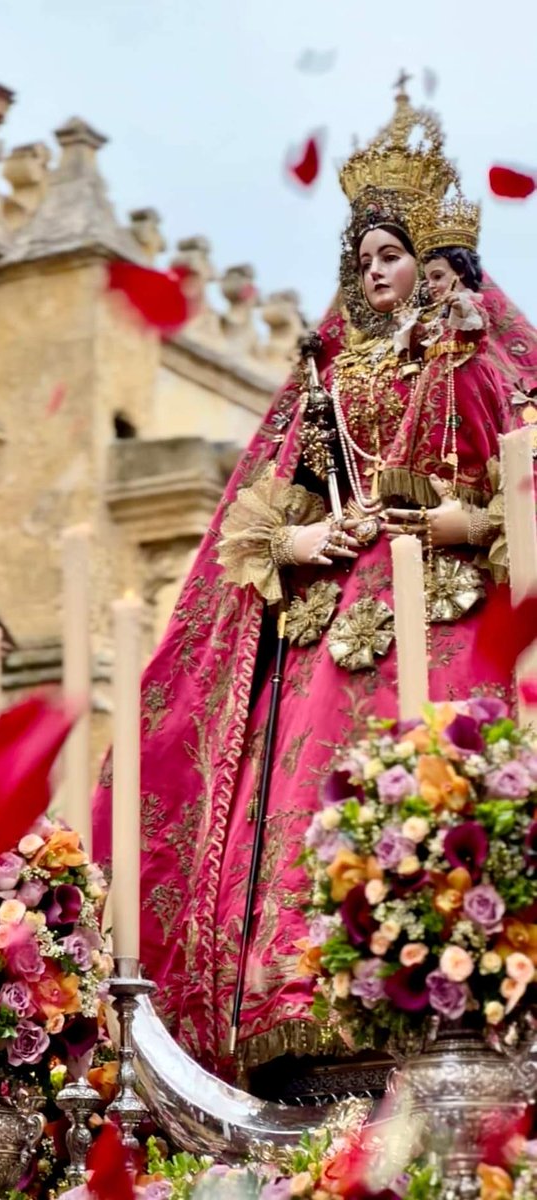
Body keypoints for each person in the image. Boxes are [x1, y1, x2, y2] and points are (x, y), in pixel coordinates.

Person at [93, 83, 532, 1080]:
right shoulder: (326, 383)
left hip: (448, 608)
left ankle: (461, 984)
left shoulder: (473, 360)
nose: (374, 272)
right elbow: (259, 518)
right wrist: (303, 540)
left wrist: (458, 522)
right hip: (335, 629)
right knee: (311, 791)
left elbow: (520, 485)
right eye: (363, 257)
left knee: (453, 777)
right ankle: (301, 993)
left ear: (431, 260)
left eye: (392, 254)